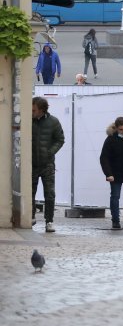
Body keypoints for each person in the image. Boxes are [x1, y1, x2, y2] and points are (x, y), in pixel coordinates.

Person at [31, 97, 65, 232]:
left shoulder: (53, 122)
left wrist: (50, 152)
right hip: (31, 163)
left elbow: (60, 140)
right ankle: (30, 216)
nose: (31, 112)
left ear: (42, 110)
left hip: (47, 164)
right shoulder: (27, 120)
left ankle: (49, 221)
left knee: (50, 194)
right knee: (30, 192)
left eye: (34, 110)